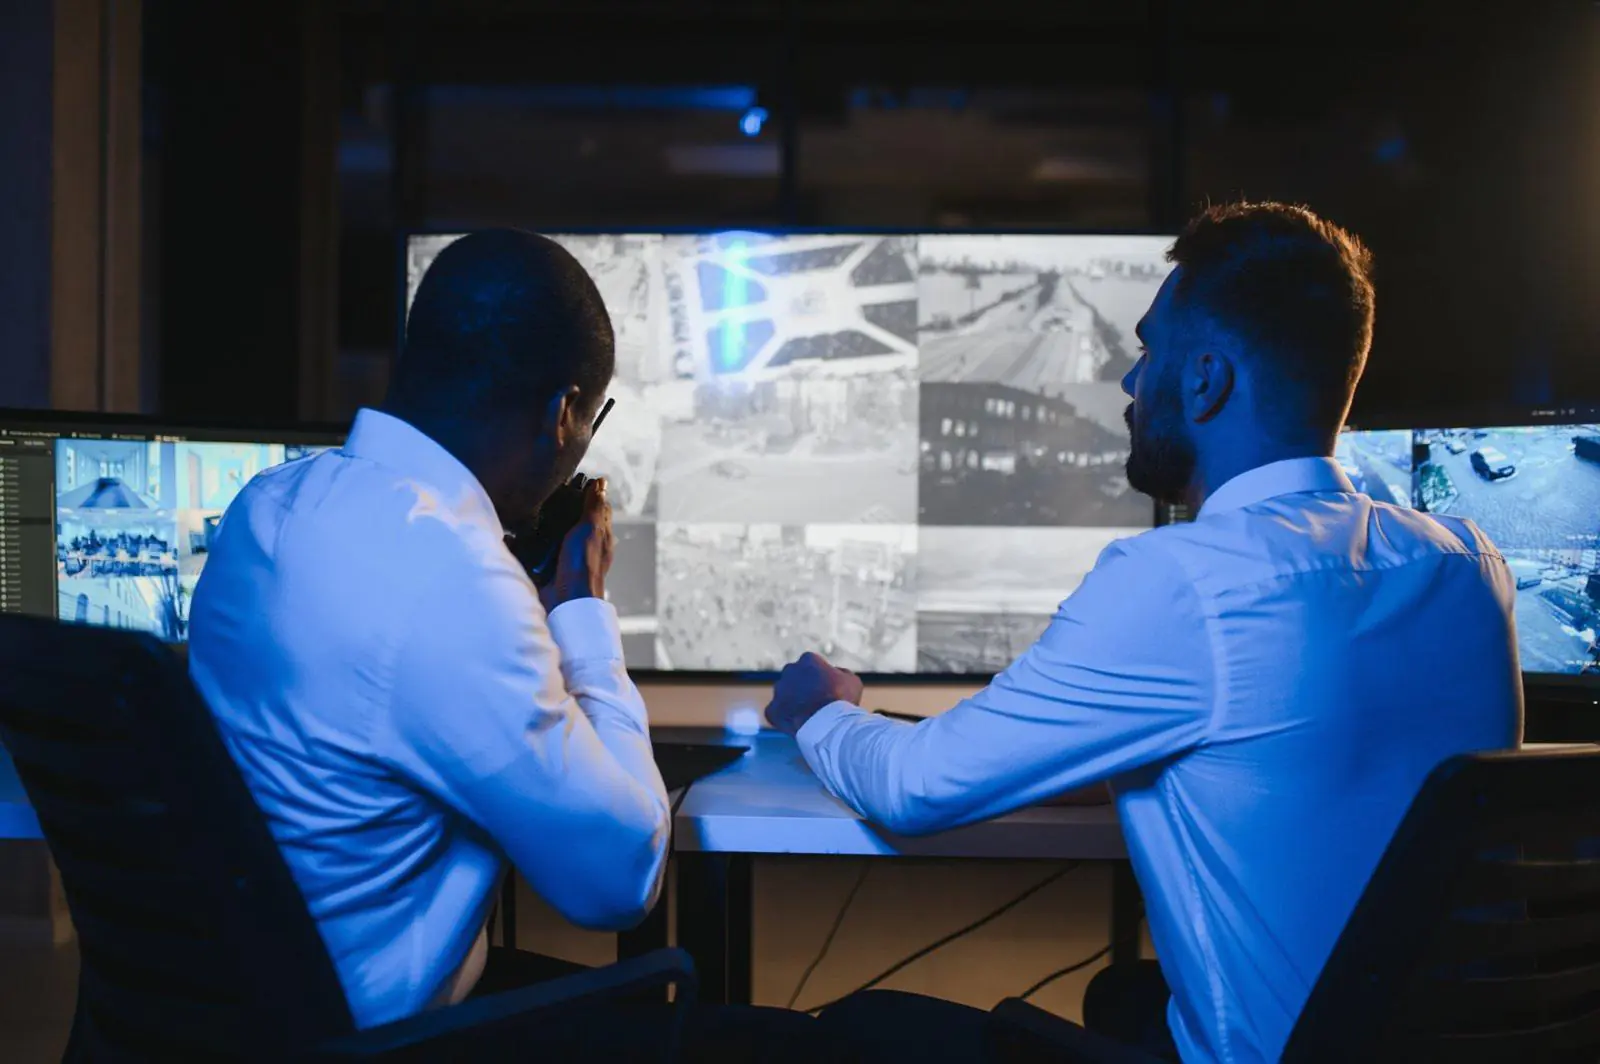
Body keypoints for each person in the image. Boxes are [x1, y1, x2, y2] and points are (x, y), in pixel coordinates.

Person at [766, 202, 1524, 1063]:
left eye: (1146, 351)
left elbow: (914, 788)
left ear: (1205, 380)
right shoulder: (1471, 564)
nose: (1131, 384)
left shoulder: (1183, 579)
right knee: (1121, 993)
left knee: (856, 1029)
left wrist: (819, 712)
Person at [189, 230, 826, 1062]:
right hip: (387, 1038)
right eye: (590, 422)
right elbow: (619, 877)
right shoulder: (454, 578)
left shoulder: (268, 506)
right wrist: (584, 614)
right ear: (563, 414)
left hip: (244, 1008)